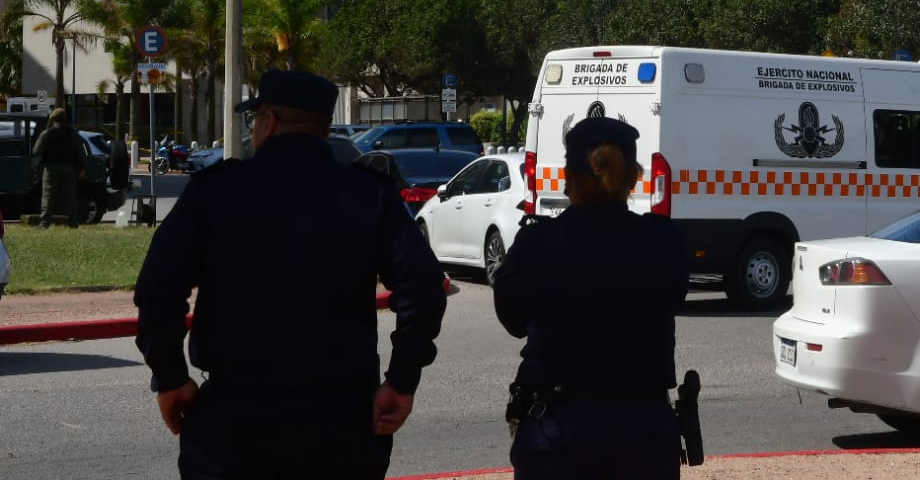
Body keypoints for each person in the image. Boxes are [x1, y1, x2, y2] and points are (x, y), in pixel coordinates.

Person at [134, 70, 447, 480]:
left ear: (269, 121)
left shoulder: (216, 191)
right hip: (340, 423)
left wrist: (172, 375)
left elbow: (159, 289)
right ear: (322, 128)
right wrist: (402, 380)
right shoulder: (368, 193)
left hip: (235, 423)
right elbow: (423, 290)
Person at [494, 117, 690, 479]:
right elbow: (674, 297)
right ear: (633, 177)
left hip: (559, 436)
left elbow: (512, 319)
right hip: (643, 435)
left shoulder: (538, 243)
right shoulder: (665, 241)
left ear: (569, 178)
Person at [32, 108, 86, 227]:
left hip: (50, 168)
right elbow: (80, 151)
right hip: (68, 168)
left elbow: (36, 151)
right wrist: (82, 167)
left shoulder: (47, 133)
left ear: (53, 119)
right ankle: (73, 223)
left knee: (48, 196)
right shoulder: (72, 133)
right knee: (70, 197)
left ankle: (44, 223)